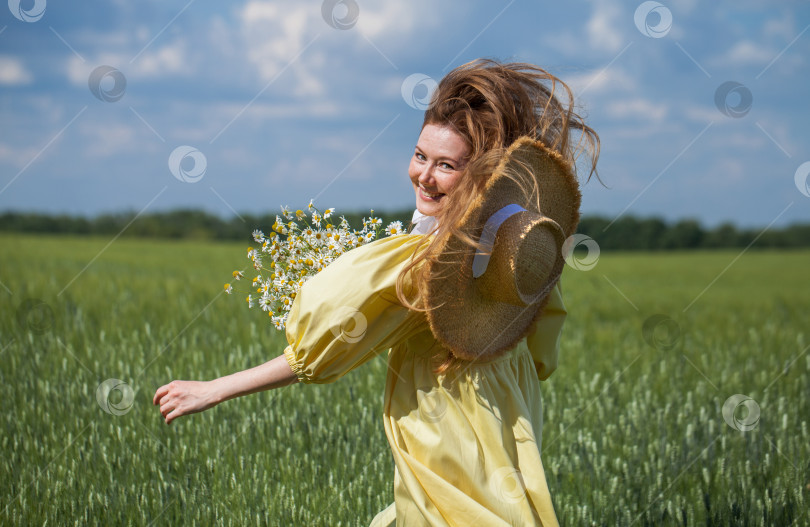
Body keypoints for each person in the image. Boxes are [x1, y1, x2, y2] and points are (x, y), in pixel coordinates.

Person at [153, 58, 599, 526]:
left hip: (446, 443)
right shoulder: (521, 249)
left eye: (446, 165)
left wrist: (213, 389)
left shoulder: (428, 265)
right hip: (509, 428)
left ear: (477, 177)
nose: (424, 176)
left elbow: (327, 346)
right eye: (421, 155)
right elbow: (544, 354)